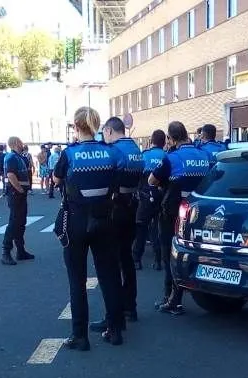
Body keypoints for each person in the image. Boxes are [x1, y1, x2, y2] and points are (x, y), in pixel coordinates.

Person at [52, 107, 125, 349]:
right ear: (96, 125)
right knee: (109, 275)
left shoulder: (69, 153)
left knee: (77, 280)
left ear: (75, 126)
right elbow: (119, 178)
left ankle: (80, 337)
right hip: (104, 219)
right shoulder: (110, 152)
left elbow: (56, 179)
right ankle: (114, 330)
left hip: (76, 220)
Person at [148, 121, 213, 315]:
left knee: (171, 254)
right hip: (200, 214)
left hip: (175, 213)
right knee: (196, 255)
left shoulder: (172, 158)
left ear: (172, 138)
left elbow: (152, 180)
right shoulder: (205, 155)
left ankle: (172, 299)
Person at [89, 116, 142, 334]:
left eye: (104, 133)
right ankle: (130, 306)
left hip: (114, 208)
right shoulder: (135, 149)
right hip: (132, 206)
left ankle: (113, 314)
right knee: (127, 258)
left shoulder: (114, 151)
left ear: (109, 131)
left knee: (111, 264)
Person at [133, 130, 166, 271]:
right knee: (157, 229)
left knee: (141, 228)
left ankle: (136, 260)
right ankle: (158, 261)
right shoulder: (167, 156)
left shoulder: (144, 155)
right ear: (164, 142)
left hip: (145, 198)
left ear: (151, 141)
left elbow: (137, 176)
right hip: (162, 198)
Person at [1, 136, 35, 265]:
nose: (22, 144)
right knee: (14, 221)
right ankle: (6, 251)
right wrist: (20, 189)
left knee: (21, 221)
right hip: (15, 193)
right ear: (15, 143)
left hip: (20, 193)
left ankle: (20, 250)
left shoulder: (19, 157)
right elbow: (10, 175)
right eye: (21, 142)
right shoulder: (11, 157)